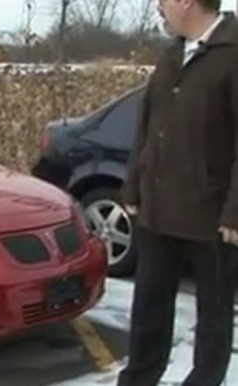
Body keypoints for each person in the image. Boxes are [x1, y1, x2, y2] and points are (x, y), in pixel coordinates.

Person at [118, 1, 238, 385]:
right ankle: (139, 377)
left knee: (213, 316)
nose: (158, 7)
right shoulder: (171, 55)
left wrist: (235, 212)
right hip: (158, 208)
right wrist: (133, 184)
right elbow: (147, 127)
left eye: (164, 0)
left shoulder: (232, 56)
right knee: (149, 308)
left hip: (211, 216)